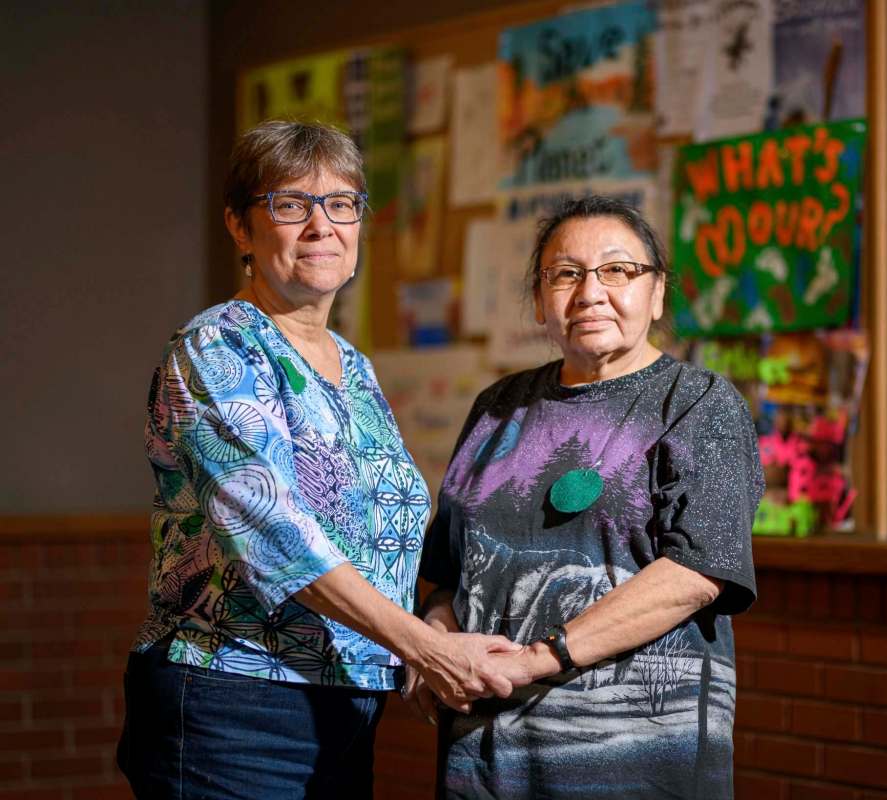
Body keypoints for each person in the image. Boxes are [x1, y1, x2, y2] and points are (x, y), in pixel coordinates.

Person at [117, 119, 528, 800]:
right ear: (240, 228)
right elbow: (281, 538)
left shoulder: (354, 367)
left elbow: (377, 535)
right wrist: (424, 649)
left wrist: (431, 626)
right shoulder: (217, 348)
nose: (321, 226)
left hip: (342, 708)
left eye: (341, 204)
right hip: (235, 702)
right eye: (289, 204)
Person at [412, 196, 765, 799]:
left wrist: (535, 660)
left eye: (617, 270)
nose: (590, 292)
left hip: (634, 761)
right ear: (539, 299)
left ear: (656, 295)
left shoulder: (699, 403)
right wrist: (437, 645)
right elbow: (450, 570)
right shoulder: (499, 406)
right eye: (566, 273)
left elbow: (696, 573)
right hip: (486, 752)